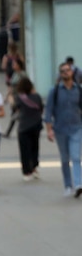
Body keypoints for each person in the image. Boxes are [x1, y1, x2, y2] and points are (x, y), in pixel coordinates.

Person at [44, 62, 82, 197]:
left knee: (76, 157)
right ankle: (68, 185)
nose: (65, 72)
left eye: (67, 70)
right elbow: (48, 112)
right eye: (62, 71)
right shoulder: (54, 91)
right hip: (60, 129)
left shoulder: (79, 89)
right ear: (60, 74)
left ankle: (78, 184)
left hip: (76, 127)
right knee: (65, 158)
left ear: (72, 72)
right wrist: (49, 129)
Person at [15, 77, 44, 182]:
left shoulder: (19, 98)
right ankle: (34, 167)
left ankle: (26, 171)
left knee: (24, 150)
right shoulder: (37, 96)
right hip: (36, 125)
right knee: (35, 147)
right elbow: (41, 109)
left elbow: (16, 109)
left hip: (23, 126)